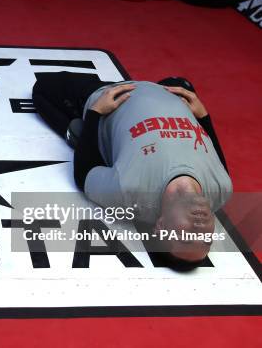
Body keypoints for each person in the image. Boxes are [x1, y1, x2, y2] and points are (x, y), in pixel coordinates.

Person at [32, 72, 232, 268]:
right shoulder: (221, 188)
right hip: (166, 92)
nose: (199, 230)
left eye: (186, 238)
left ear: (160, 226)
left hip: (113, 98)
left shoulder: (129, 191)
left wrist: (95, 113)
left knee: (43, 88)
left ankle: (74, 131)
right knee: (182, 83)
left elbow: (84, 175)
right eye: (206, 240)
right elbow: (215, 153)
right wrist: (204, 117)